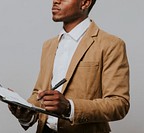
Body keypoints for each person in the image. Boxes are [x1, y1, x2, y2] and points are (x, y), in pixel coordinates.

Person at [8, 0, 130, 133]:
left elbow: (119, 104)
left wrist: (69, 107)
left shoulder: (111, 45)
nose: (55, 1)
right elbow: (40, 93)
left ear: (84, 3)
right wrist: (25, 111)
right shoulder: (49, 45)